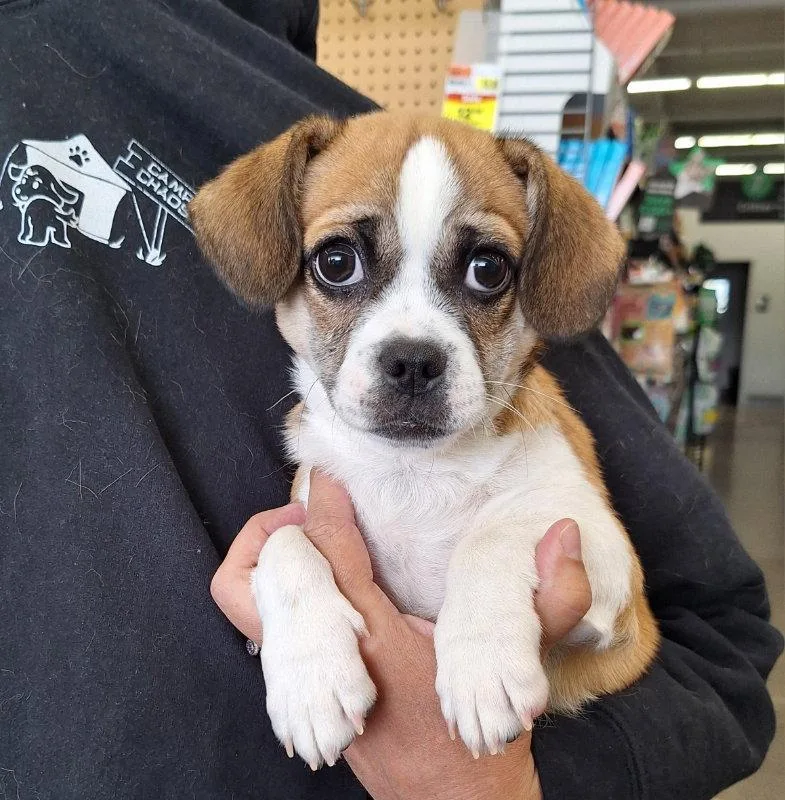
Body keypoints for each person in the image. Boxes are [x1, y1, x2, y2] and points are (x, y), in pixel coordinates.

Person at [0, 2, 780, 799]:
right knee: (286, 554)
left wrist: (492, 578)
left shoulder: (534, 437)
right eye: (338, 264)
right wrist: (292, 596)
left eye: (482, 272)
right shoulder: (324, 456)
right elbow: (298, 554)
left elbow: (612, 598)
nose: (413, 346)